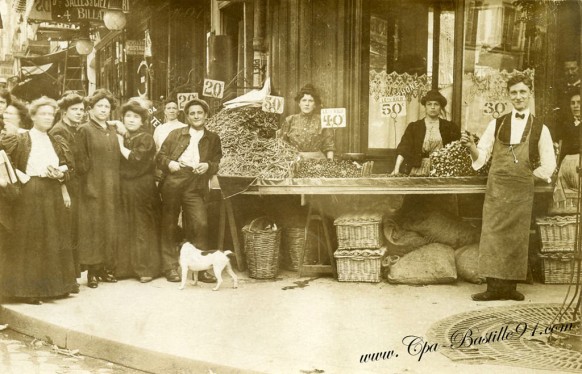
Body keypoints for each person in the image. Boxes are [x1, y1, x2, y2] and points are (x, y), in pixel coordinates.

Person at [461, 74, 556, 301]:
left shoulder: (540, 127)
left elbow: (549, 164)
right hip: (497, 190)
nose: (518, 96)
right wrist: (471, 146)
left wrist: (530, 176)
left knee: (516, 237)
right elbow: (482, 156)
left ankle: (510, 287)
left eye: (523, 92)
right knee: (493, 235)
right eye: (514, 92)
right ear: (508, 95)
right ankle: (493, 288)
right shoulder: (497, 123)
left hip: (521, 192)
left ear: (530, 93)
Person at [0, 97, 77, 304]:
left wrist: (60, 174)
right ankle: (28, 290)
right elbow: (6, 163)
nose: (48, 117)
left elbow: (69, 167)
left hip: (52, 192)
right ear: (32, 116)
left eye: (51, 114)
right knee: (31, 240)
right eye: (43, 113)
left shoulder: (56, 141)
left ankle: (54, 288)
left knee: (52, 238)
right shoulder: (22, 139)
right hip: (30, 193)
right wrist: (23, 177)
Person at [157, 98, 222, 283]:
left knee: (200, 223)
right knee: (169, 224)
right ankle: (170, 267)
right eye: (192, 113)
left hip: (196, 184)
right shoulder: (175, 134)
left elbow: (217, 161)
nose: (196, 116)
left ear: (206, 115)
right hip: (174, 181)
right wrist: (170, 163)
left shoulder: (213, 138)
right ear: (187, 116)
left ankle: (199, 268)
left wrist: (207, 166)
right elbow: (160, 156)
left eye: (199, 113)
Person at [75, 89, 121, 289]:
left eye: (107, 107)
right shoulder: (84, 130)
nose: (103, 110)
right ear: (91, 108)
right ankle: (92, 272)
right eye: (99, 106)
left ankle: (104, 268)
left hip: (111, 187)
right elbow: (80, 162)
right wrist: (88, 186)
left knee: (108, 228)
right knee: (93, 230)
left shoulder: (111, 130)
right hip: (92, 187)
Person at [115, 101, 161, 282]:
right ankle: (124, 269)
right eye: (128, 116)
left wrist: (119, 145)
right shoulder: (123, 136)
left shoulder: (146, 138)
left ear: (142, 121)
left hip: (142, 187)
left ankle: (146, 269)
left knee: (142, 226)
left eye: (136, 117)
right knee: (125, 224)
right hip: (125, 186)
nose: (131, 120)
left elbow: (136, 159)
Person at [50, 93, 86, 287]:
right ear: (64, 112)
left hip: (75, 184)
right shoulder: (59, 131)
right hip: (66, 186)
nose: (79, 113)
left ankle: (71, 277)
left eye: (81, 110)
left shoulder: (74, 129)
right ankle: (67, 279)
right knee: (66, 230)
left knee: (73, 230)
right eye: (75, 110)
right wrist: (64, 188)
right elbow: (62, 163)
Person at [392, 89, 460, 175]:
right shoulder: (414, 127)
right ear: (425, 107)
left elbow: (456, 149)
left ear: (440, 107)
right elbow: (404, 148)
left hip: (442, 170)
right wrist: (396, 169)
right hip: (418, 169)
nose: (432, 107)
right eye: (429, 104)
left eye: (436, 104)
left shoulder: (449, 127)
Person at [279, 84, 335, 160]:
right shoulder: (290, 120)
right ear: (299, 103)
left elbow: (329, 146)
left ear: (315, 104)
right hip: (294, 161)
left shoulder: (322, 120)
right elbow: (281, 144)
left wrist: (330, 164)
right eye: (304, 100)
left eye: (311, 101)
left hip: (317, 162)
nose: (307, 104)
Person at [553, 91, 580, 202]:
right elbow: (560, 148)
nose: (576, 106)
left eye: (579, 102)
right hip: (566, 164)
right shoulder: (565, 125)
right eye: (572, 103)